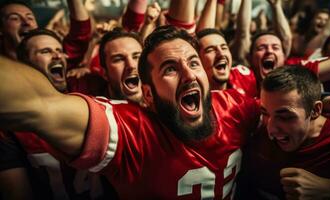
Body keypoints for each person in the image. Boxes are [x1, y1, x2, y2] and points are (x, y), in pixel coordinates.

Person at [0, 25, 260, 199]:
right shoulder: (132, 131)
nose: (189, 74)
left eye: (194, 62)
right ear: (148, 94)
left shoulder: (236, 106)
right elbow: (36, 104)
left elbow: (295, 125)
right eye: (170, 68)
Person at [0, 28, 117, 200]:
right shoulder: (11, 126)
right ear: (24, 66)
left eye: (60, 51)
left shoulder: (87, 88)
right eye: (46, 51)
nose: (57, 56)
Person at [236, 66, 330, 199]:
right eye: (265, 113)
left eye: (285, 117)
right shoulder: (254, 125)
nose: (271, 129)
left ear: (315, 110)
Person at [98, 29, 144, 104]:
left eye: (137, 57)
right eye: (118, 59)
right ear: (105, 73)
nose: (131, 65)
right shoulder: (99, 107)